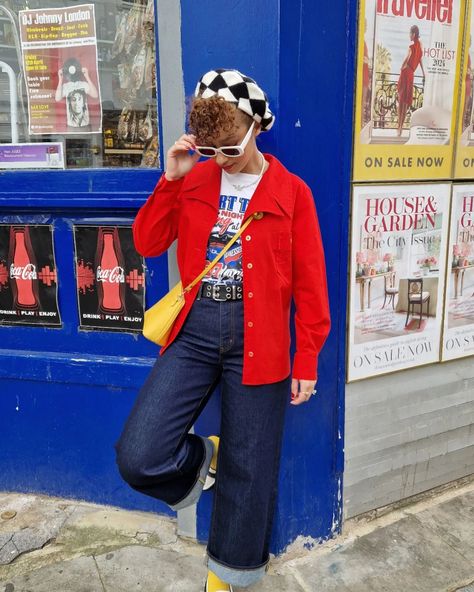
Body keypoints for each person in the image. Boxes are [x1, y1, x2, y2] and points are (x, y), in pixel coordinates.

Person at [114, 68, 331, 591]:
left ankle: (228, 576)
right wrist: (171, 178)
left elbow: (311, 284)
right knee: (139, 454)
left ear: (256, 126)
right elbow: (146, 242)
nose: (223, 160)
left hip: (262, 340)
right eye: (213, 151)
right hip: (195, 330)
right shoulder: (195, 176)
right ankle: (200, 459)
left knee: (251, 470)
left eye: (230, 149)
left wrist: (307, 359)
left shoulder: (291, 192)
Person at [397, 25, 425, 137]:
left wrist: (402, 67)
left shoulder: (411, 47)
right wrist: (423, 73)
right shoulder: (420, 47)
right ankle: (401, 127)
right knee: (405, 102)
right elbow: (420, 60)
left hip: (405, 74)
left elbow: (406, 60)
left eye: (410, 33)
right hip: (411, 75)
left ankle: (398, 128)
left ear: (413, 34)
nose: (409, 35)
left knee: (401, 100)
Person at [55, 58, 98, 129]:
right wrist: (60, 79)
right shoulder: (66, 86)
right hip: (71, 126)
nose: (77, 103)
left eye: (79, 99)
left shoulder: (83, 84)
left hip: (86, 125)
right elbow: (57, 98)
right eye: (73, 100)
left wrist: (87, 76)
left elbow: (95, 95)